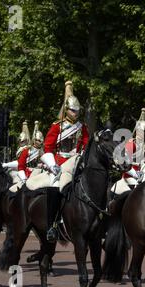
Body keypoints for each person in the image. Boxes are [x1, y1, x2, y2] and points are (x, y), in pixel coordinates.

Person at [40, 80, 89, 242]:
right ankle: (52, 226)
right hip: (60, 164)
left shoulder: (82, 127)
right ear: (67, 110)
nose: (76, 113)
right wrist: (53, 165)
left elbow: (86, 145)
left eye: (77, 110)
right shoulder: (57, 126)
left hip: (77, 162)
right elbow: (47, 148)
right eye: (73, 110)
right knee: (55, 187)